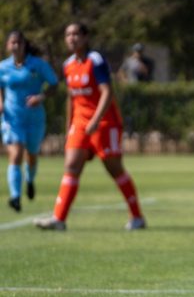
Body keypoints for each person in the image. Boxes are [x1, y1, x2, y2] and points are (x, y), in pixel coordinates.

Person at [34, 22, 146, 231]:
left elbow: (107, 92)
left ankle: (137, 217)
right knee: (71, 166)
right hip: (79, 123)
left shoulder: (96, 60)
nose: (71, 38)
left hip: (104, 123)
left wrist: (95, 120)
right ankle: (59, 219)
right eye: (68, 35)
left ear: (85, 37)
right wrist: (69, 127)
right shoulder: (68, 65)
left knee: (114, 169)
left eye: (76, 34)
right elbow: (71, 98)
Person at [0, 31, 58, 212]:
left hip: (34, 119)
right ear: (8, 46)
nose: (15, 46)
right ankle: (15, 197)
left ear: (24, 45)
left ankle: (30, 180)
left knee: (31, 155)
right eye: (12, 43)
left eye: (19, 42)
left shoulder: (38, 65)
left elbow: (54, 84)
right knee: (15, 153)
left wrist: (40, 97)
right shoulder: (3, 67)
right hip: (12, 118)